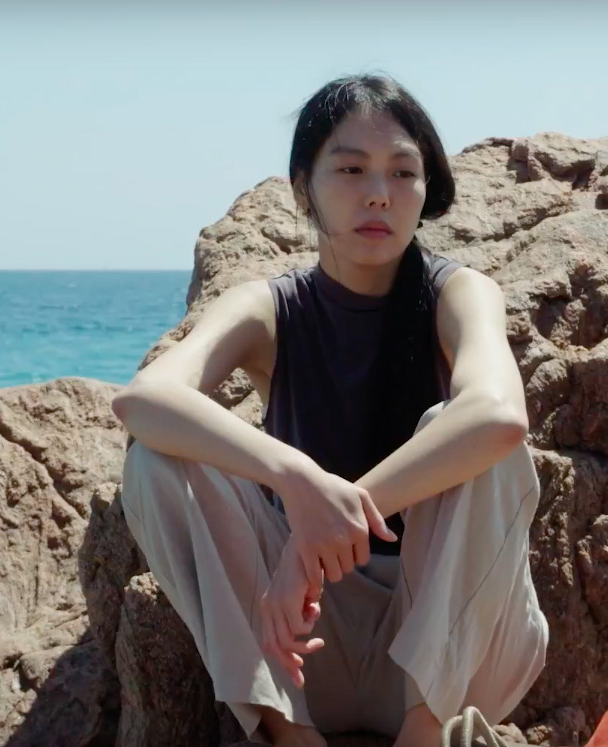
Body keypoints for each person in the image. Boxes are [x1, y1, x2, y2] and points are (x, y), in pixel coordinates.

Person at [111, 73, 548, 747]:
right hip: (301, 643)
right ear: (302, 189)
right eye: (350, 169)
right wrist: (297, 479)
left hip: (450, 656)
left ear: (426, 189)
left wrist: (316, 540)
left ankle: (424, 734)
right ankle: (289, 732)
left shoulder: (459, 294)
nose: (378, 193)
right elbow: (145, 399)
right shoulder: (270, 307)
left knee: (476, 438)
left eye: (403, 172)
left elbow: (499, 414)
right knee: (156, 463)